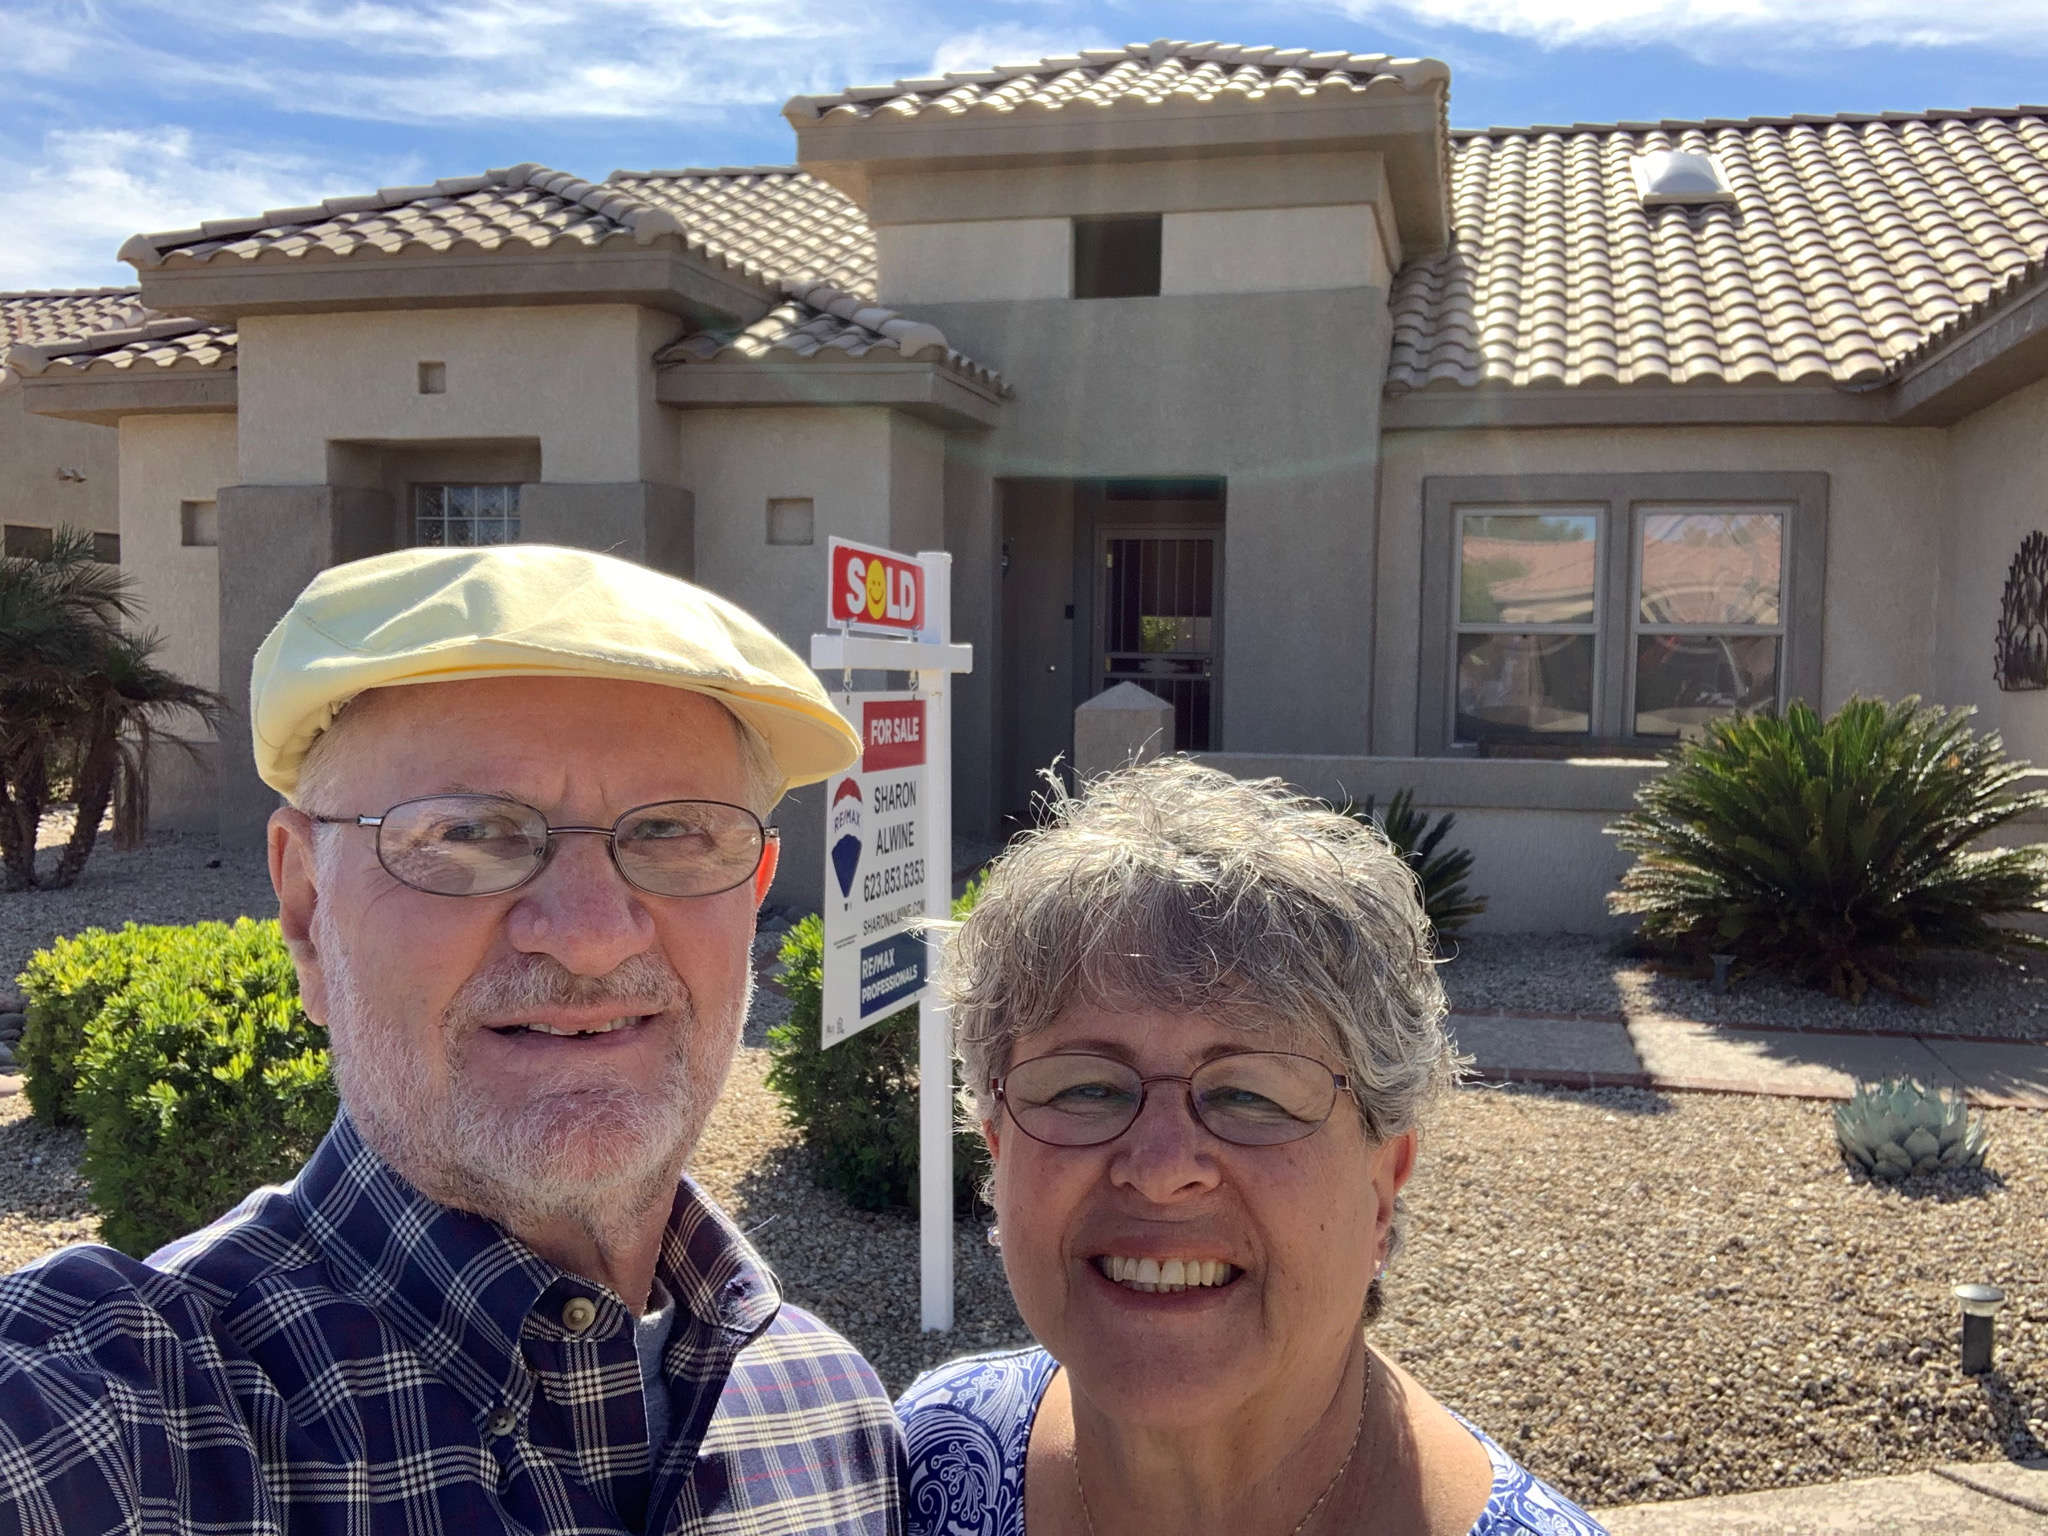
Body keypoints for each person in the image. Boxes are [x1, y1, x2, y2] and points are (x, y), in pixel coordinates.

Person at [0, 545, 904, 1533]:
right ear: (306, 912)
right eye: (469, 835)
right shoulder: (116, 1420)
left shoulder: (829, 1414)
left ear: (752, 894)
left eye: (673, 835)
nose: (594, 936)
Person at [899, 760, 1605, 1536]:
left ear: (1382, 1182)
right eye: (1086, 1089)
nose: (1164, 1170)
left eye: (1250, 1095)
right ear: (998, 1150)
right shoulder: (923, 1466)